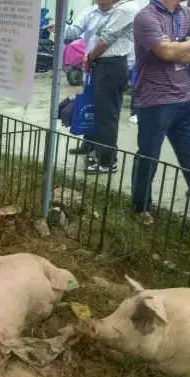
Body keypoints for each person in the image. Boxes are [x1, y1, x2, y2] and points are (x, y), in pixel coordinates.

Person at [131, 0, 190, 225]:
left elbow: (171, 52)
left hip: (185, 96)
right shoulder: (146, 17)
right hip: (155, 100)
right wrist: (176, 47)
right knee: (149, 155)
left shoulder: (186, 13)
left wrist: (177, 47)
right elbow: (165, 52)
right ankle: (141, 206)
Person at [49, 0, 114, 158]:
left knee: (106, 113)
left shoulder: (119, 13)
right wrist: (59, 27)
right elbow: (73, 31)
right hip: (90, 67)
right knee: (89, 106)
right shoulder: (90, 12)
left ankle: (104, 155)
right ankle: (88, 145)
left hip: (109, 68)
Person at [83, 0, 139, 174]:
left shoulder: (125, 9)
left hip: (111, 66)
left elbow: (105, 40)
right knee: (101, 114)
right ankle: (101, 153)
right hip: (105, 65)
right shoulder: (118, 9)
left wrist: (90, 57)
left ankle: (107, 161)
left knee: (107, 116)